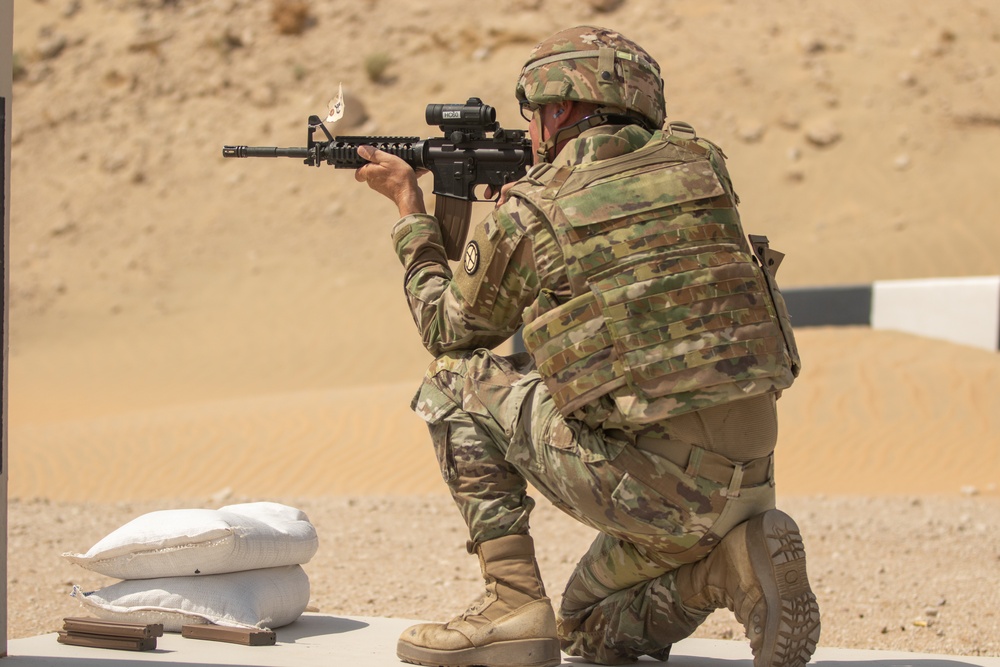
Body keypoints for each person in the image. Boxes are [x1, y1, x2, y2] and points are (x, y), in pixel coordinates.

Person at [354, 25, 820, 667]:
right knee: (590, 629)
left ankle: (510, 601)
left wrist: (411, 212)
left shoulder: (538, 205)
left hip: (655, 493)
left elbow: (448, 328)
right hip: (749, 480)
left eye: (537, 115)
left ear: (560, 110)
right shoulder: (704, 169)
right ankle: (728, 568)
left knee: (454, 378)